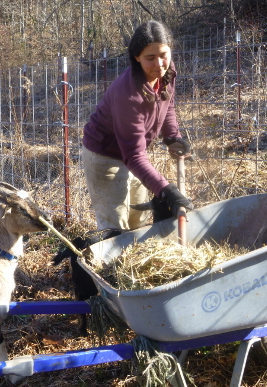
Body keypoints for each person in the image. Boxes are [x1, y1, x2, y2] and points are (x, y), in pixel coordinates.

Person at [82, 20, 193, 230]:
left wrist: (172, 137)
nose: (159, 64)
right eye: (150, 58)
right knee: (115, 226)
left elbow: (167, 103)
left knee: (138, 219)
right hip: (106, 157)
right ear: (137, 58)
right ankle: (110, 262)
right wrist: (166, 190)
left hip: (134, 154)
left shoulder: (166, 72)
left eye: (163, 55)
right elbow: (133, 156)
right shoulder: (129, 95)